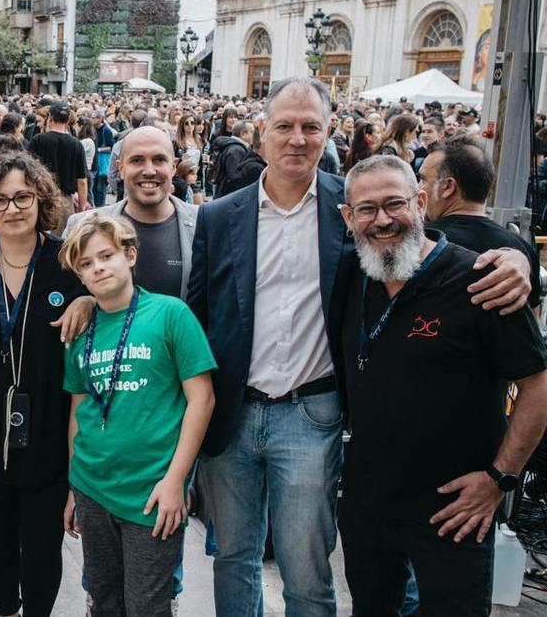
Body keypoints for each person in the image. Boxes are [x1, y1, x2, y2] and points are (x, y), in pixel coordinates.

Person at [187, 76, 533, 616]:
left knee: (306, 566)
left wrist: (518, 260)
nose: (297, 138)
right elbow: (197, 317)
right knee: (232, 557)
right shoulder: (218, 215)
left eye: (310, 127)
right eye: (284, 126)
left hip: (312, 414)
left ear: (329, 134)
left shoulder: (350, 206)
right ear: (263, 133)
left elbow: (426, 241)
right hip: (233, 415)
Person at [331, 155, 547, 613]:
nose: (383, 220)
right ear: (349, 218)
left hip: (457, 510)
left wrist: (500, 478)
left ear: (422, 202)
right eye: (367, 209)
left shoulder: (482, 281)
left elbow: (538, 383)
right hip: (368, 502)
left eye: (395, 204)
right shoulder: (352, 275)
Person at [59, 212, 216, 616]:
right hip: (92, 488)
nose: (98, 267)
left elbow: (202, 399)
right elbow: (79, 409)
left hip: (152, 490)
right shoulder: (81, 332)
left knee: (148, 604)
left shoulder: (171, 314)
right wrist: (73, 486)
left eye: (105, 256)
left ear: (129, 255)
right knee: (104, 602)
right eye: (86, 264)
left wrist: (176, 480)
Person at [0, 151, 82, 617]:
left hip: (48, 426)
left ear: (41, 200)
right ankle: (6, 611)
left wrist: (87, 300)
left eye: (23, 198)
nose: (13, 209)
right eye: (0, 200)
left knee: (43, 542)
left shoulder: (65, 261)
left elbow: (114, 293)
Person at [64, 127, 199, 301]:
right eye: (137, 160)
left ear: (174, 166)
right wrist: (82, 301)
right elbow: (64, 292)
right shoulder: (80, 225)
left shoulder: (204, 223)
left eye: (159, 159)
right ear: (120, 167)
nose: (149, 171)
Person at [419, 135, 542, 310]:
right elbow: (533, 319)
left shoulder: (423, 241)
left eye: (423, 179)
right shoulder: (521, 248)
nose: (419, 188)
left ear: (448, 187)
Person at [28, 102, 89, 233]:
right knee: (62, 244)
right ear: (68, 120)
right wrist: (82, 208)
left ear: (50, 117)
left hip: (40, 197)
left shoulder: (38, 140)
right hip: (65, 201)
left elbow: (26, 170)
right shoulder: (76, 144)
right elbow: (82, 181)